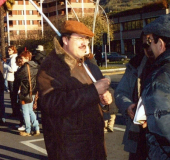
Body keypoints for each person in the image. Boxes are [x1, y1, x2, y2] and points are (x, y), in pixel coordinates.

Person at [37, 20, 112, 159]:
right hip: (70, 150)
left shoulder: (87, 64)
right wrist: (94, 91)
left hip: (95, 146)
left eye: (87, 39)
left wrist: (104, 100)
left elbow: (97, 97)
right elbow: (54, 104)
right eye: (80, 39)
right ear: (65, 39)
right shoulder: (50, 68)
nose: (85, 43)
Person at [114, 32, 150, 159]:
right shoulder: (136, 64)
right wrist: (127, 106)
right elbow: (120, 92)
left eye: (151, 41)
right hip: (139, 136)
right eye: (145, 42)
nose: (148, 46)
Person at [139, 14, 170, 159]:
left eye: (150, 42)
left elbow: (163, 125)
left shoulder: (159, 76)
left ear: (161, 44)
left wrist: (151, 120)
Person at [14, 50, 40, 136]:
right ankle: (36, 128)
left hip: (25, 92)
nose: (21, 60)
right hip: (33, 91)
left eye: (22, 58)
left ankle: (28, 130)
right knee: (30, 110)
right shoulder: (36, 66)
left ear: (27, 58)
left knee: (25, 111)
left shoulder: (24, 67)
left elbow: (18, 78)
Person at [6, 46, 18, 116]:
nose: (8, 51)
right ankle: (15, 111)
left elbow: (13, 69)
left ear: (13, 51)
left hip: (12, 78)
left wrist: (6, 66)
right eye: (8, 50)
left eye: (10, 50)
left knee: (13, 96)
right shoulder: (12, 58)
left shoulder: (13, 58)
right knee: (13, 96)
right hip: (11, 78)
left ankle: (15, 111)